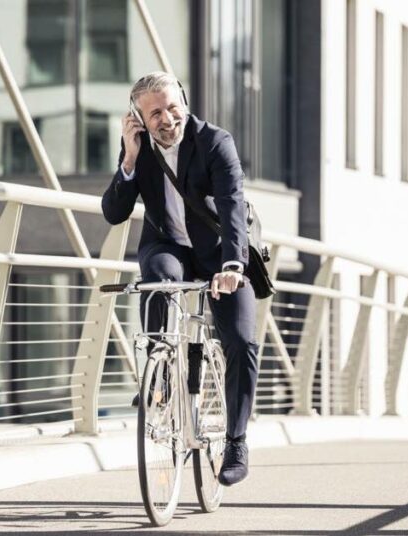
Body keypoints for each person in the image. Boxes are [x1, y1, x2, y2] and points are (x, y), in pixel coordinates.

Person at [101, 71, 259, 486]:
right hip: (167, 245)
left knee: (241, 341)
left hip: (220, 254)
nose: (166, 119)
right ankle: (162, 376)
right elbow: (114, 213)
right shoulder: (137, 148)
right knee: (157, 276)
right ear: (137, 118)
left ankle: (237, 441)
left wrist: (232, 267)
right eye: (154, 113)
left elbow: (231, 204)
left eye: (172, 107)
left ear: (184, 102)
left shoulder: (214, 142)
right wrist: (130, 161)